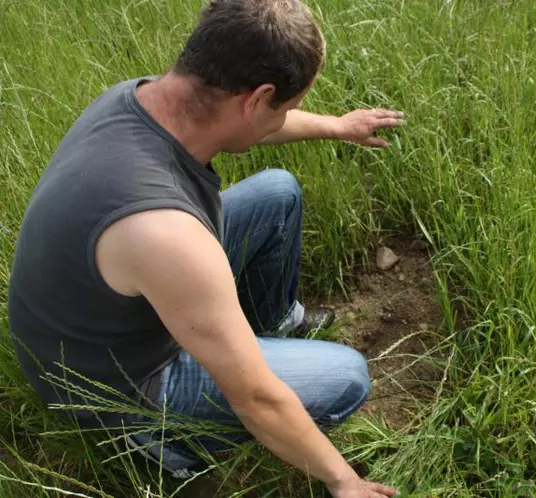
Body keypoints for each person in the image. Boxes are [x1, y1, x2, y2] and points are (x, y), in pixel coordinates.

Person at [7, 0, 404, 496]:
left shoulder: (140, 99)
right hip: (111, 385)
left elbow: (250, 124)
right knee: (347, 377)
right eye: (288, 106)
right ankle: (159, 447)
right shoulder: (165, 232)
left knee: (277, 193)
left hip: (98, 314)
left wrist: (338, 127)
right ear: (258, 98)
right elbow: (256, 399)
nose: (289, 116)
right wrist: (344, 482)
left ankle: (273, 326)